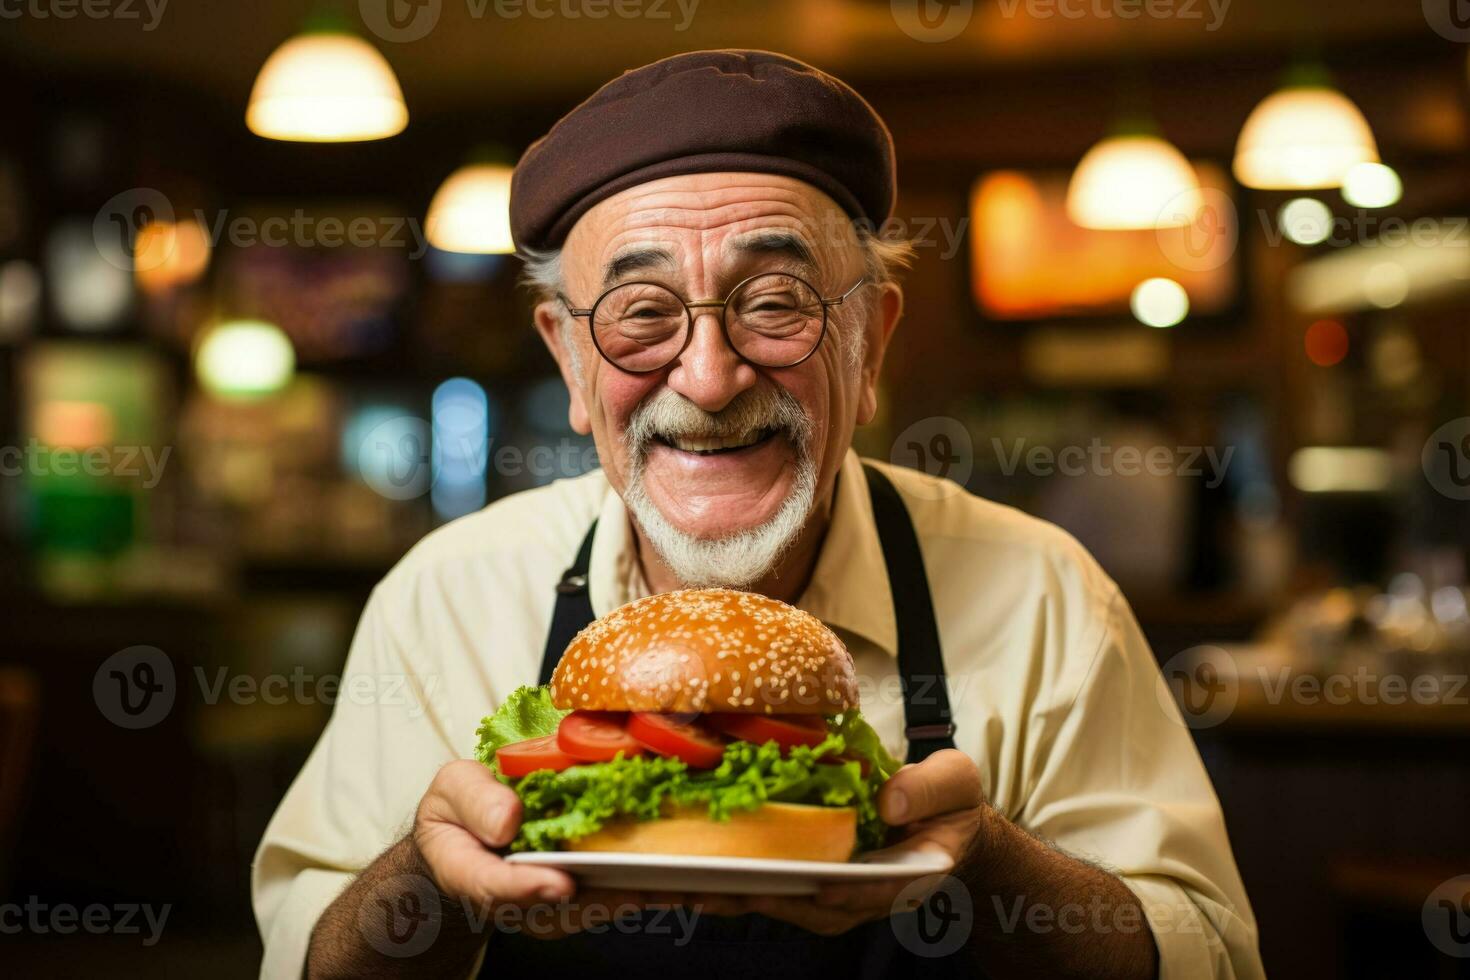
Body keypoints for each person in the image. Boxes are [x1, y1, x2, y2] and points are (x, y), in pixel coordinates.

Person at [253, 49, 1262, 979]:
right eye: (642, 313)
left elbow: (1208, 952)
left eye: (775, 301)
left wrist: (987, 862)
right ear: (566, 356)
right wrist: (430, 877)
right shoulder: (449, 596)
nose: (707, 375)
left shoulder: (1047, 594)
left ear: (871, 340)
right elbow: (304, 955)